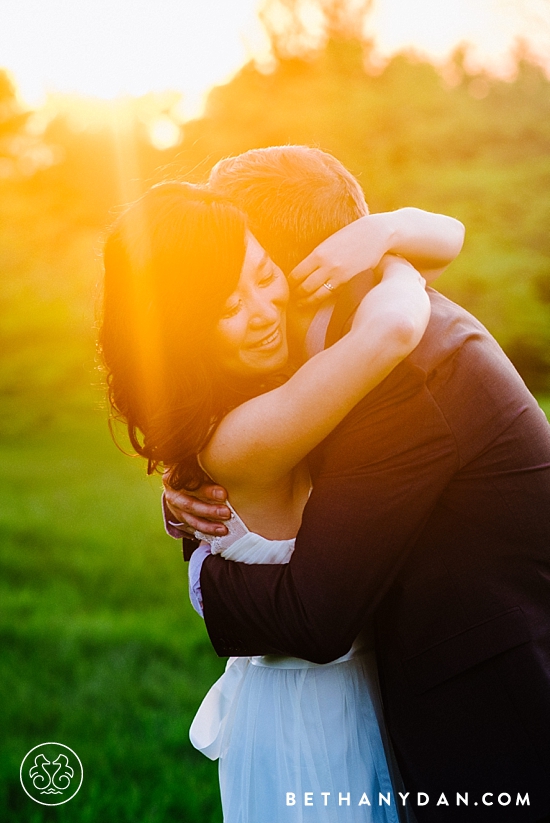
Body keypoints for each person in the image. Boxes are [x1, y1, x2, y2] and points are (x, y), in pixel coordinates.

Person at [165, 146, 550, 823]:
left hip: (498, 720)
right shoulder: (349, 339)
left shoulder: (399, 376)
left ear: (301, 272)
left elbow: (315, 616)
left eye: (245, 264)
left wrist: (204, 568)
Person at [99, 171, 464, 823]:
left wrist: (381, 229)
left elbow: (453, 235)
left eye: (266, 276)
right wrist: (397, 266)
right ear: (182, 335)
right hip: (310, 716)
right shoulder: (243, 436)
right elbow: (390, 333)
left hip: (349, 694)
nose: (266, 311)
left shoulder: (246, 400)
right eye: (228, 308)